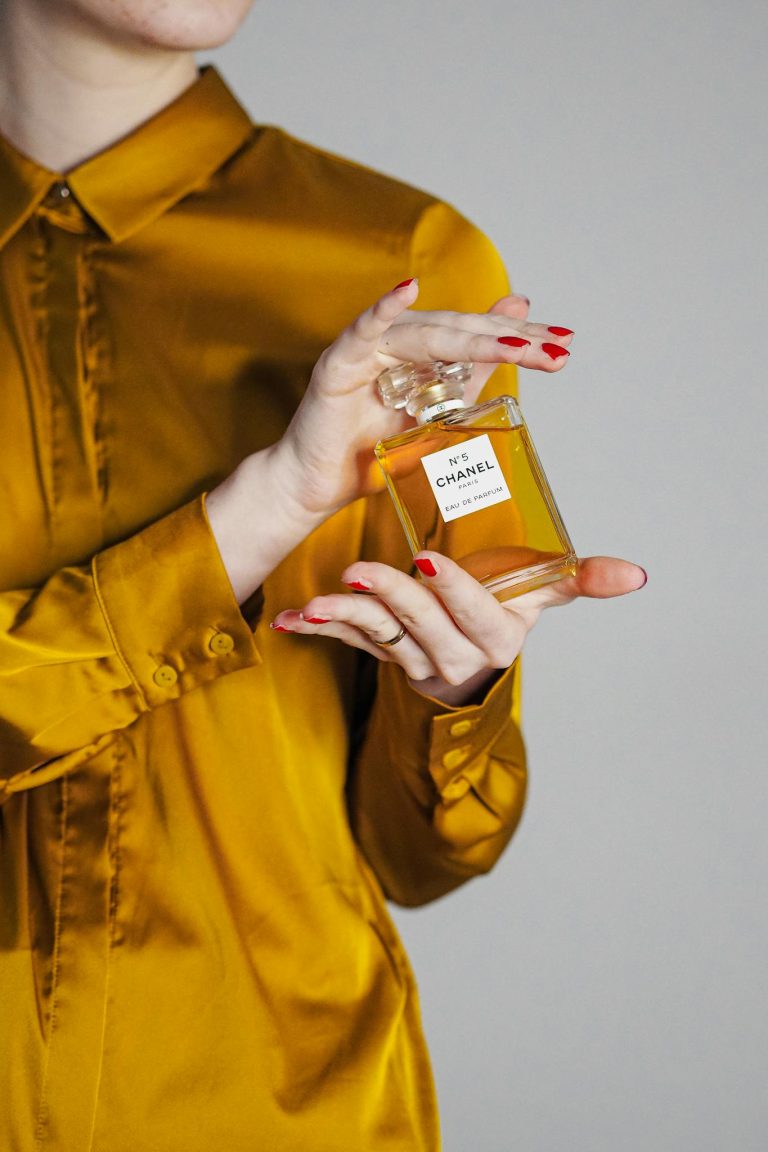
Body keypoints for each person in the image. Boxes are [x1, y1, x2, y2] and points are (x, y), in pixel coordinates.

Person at [0, 2, 646, 1149]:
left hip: (276, 1097)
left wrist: (454, 701)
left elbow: (421, 855)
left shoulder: (395, 263)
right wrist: (256, 514)